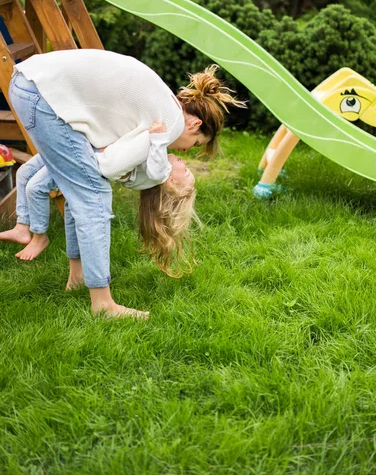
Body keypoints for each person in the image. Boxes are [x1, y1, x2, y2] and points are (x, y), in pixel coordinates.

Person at [8, 49, 245, 319]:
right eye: (196, 145)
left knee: (75, 190)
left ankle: (77, 273)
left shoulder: (166, 109)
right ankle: (103, 305)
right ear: (195, 124)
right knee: (94, 195)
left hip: (30, 83)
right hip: (43, 94)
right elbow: (109, 166)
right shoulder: (168, 125)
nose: (186, 152)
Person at [0, 121, 190, 262]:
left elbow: (156, 167)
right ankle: (22, 226)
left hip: (86, 161)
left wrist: (158, 137)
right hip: (87, 147)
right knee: (24, 171)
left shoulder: (160, 172)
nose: (186, 163)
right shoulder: (157, 168)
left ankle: (39, 236)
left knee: (36, 187)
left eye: (187, 171)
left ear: (172, 181)